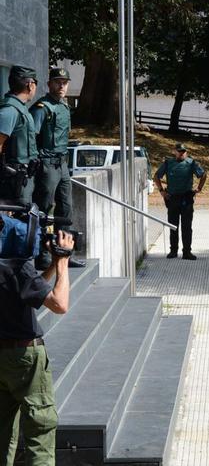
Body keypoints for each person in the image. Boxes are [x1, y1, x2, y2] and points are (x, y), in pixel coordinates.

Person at [0, 230, 74, 465]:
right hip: (24, 358)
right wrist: (62, 261)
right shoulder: (16, 267)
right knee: (40, 430)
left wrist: (51, 264)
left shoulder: (14, 269)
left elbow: (31, 289)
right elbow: (59, 304)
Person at [30, 67, 85, 270]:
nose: (62, 86)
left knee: (66, 209)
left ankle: (64, 252)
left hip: (62, 164)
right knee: (43, 209)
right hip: (47, 164)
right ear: (49, 83)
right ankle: (41, 253)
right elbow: (31, 137)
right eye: (58, 82)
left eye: (65, 82)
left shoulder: (63, 107)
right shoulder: (42, 108)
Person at [154, 143, 206, 260]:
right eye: (179, 151)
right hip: (172, 199)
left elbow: (203, 175)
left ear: (186, 152)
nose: (181, 153)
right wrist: (161, 190)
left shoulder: (191, 163)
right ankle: (173, 251)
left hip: (187, 199)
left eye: (183, 151)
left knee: (187, 227)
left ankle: (187, 252)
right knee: (173, 226)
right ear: (174, 152)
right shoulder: (168, 163)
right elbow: (157, 176)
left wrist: (199, 188)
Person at [0, 66, 40, 204]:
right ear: (30, 85)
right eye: (35, 83)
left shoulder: (20, 108)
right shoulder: (10, 110)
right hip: (14, 179)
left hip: (24, 177)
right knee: (19, 221)